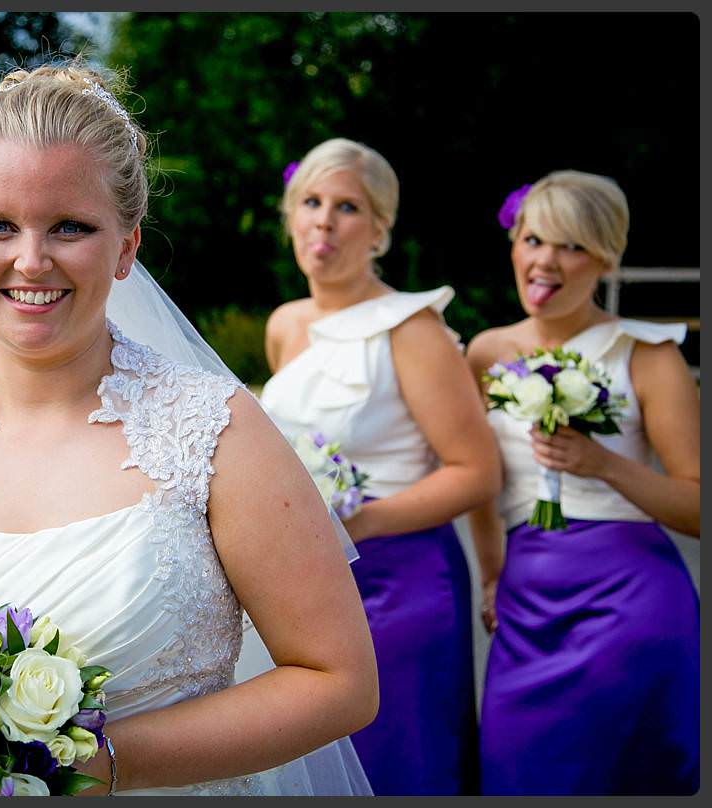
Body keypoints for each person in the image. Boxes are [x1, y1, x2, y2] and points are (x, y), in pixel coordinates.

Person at [0, 62, 378, 795]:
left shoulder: (215, 431)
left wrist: (93, 759)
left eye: (70, 227)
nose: (31, 260)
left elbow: (339, 681)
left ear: (127, 246)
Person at [258, 139, 495, 793]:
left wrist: (361, 524)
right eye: (310, 202)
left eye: (348, 207)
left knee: (400, 762)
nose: (324, 222)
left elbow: (476, 471)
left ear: (381, 230)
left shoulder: (410, 329)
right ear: (290, 215)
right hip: (308, 581)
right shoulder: (285, 325)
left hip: (403, 580)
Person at [464, 170, 698, 795]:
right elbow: (481, 484)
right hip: (525, 604)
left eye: (571, 246)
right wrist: (492, 573)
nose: (546, 261)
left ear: (607, 257)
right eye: (534, 239)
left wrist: (604, 465)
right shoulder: (486, 353)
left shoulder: (647, 354)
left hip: (630, 608)